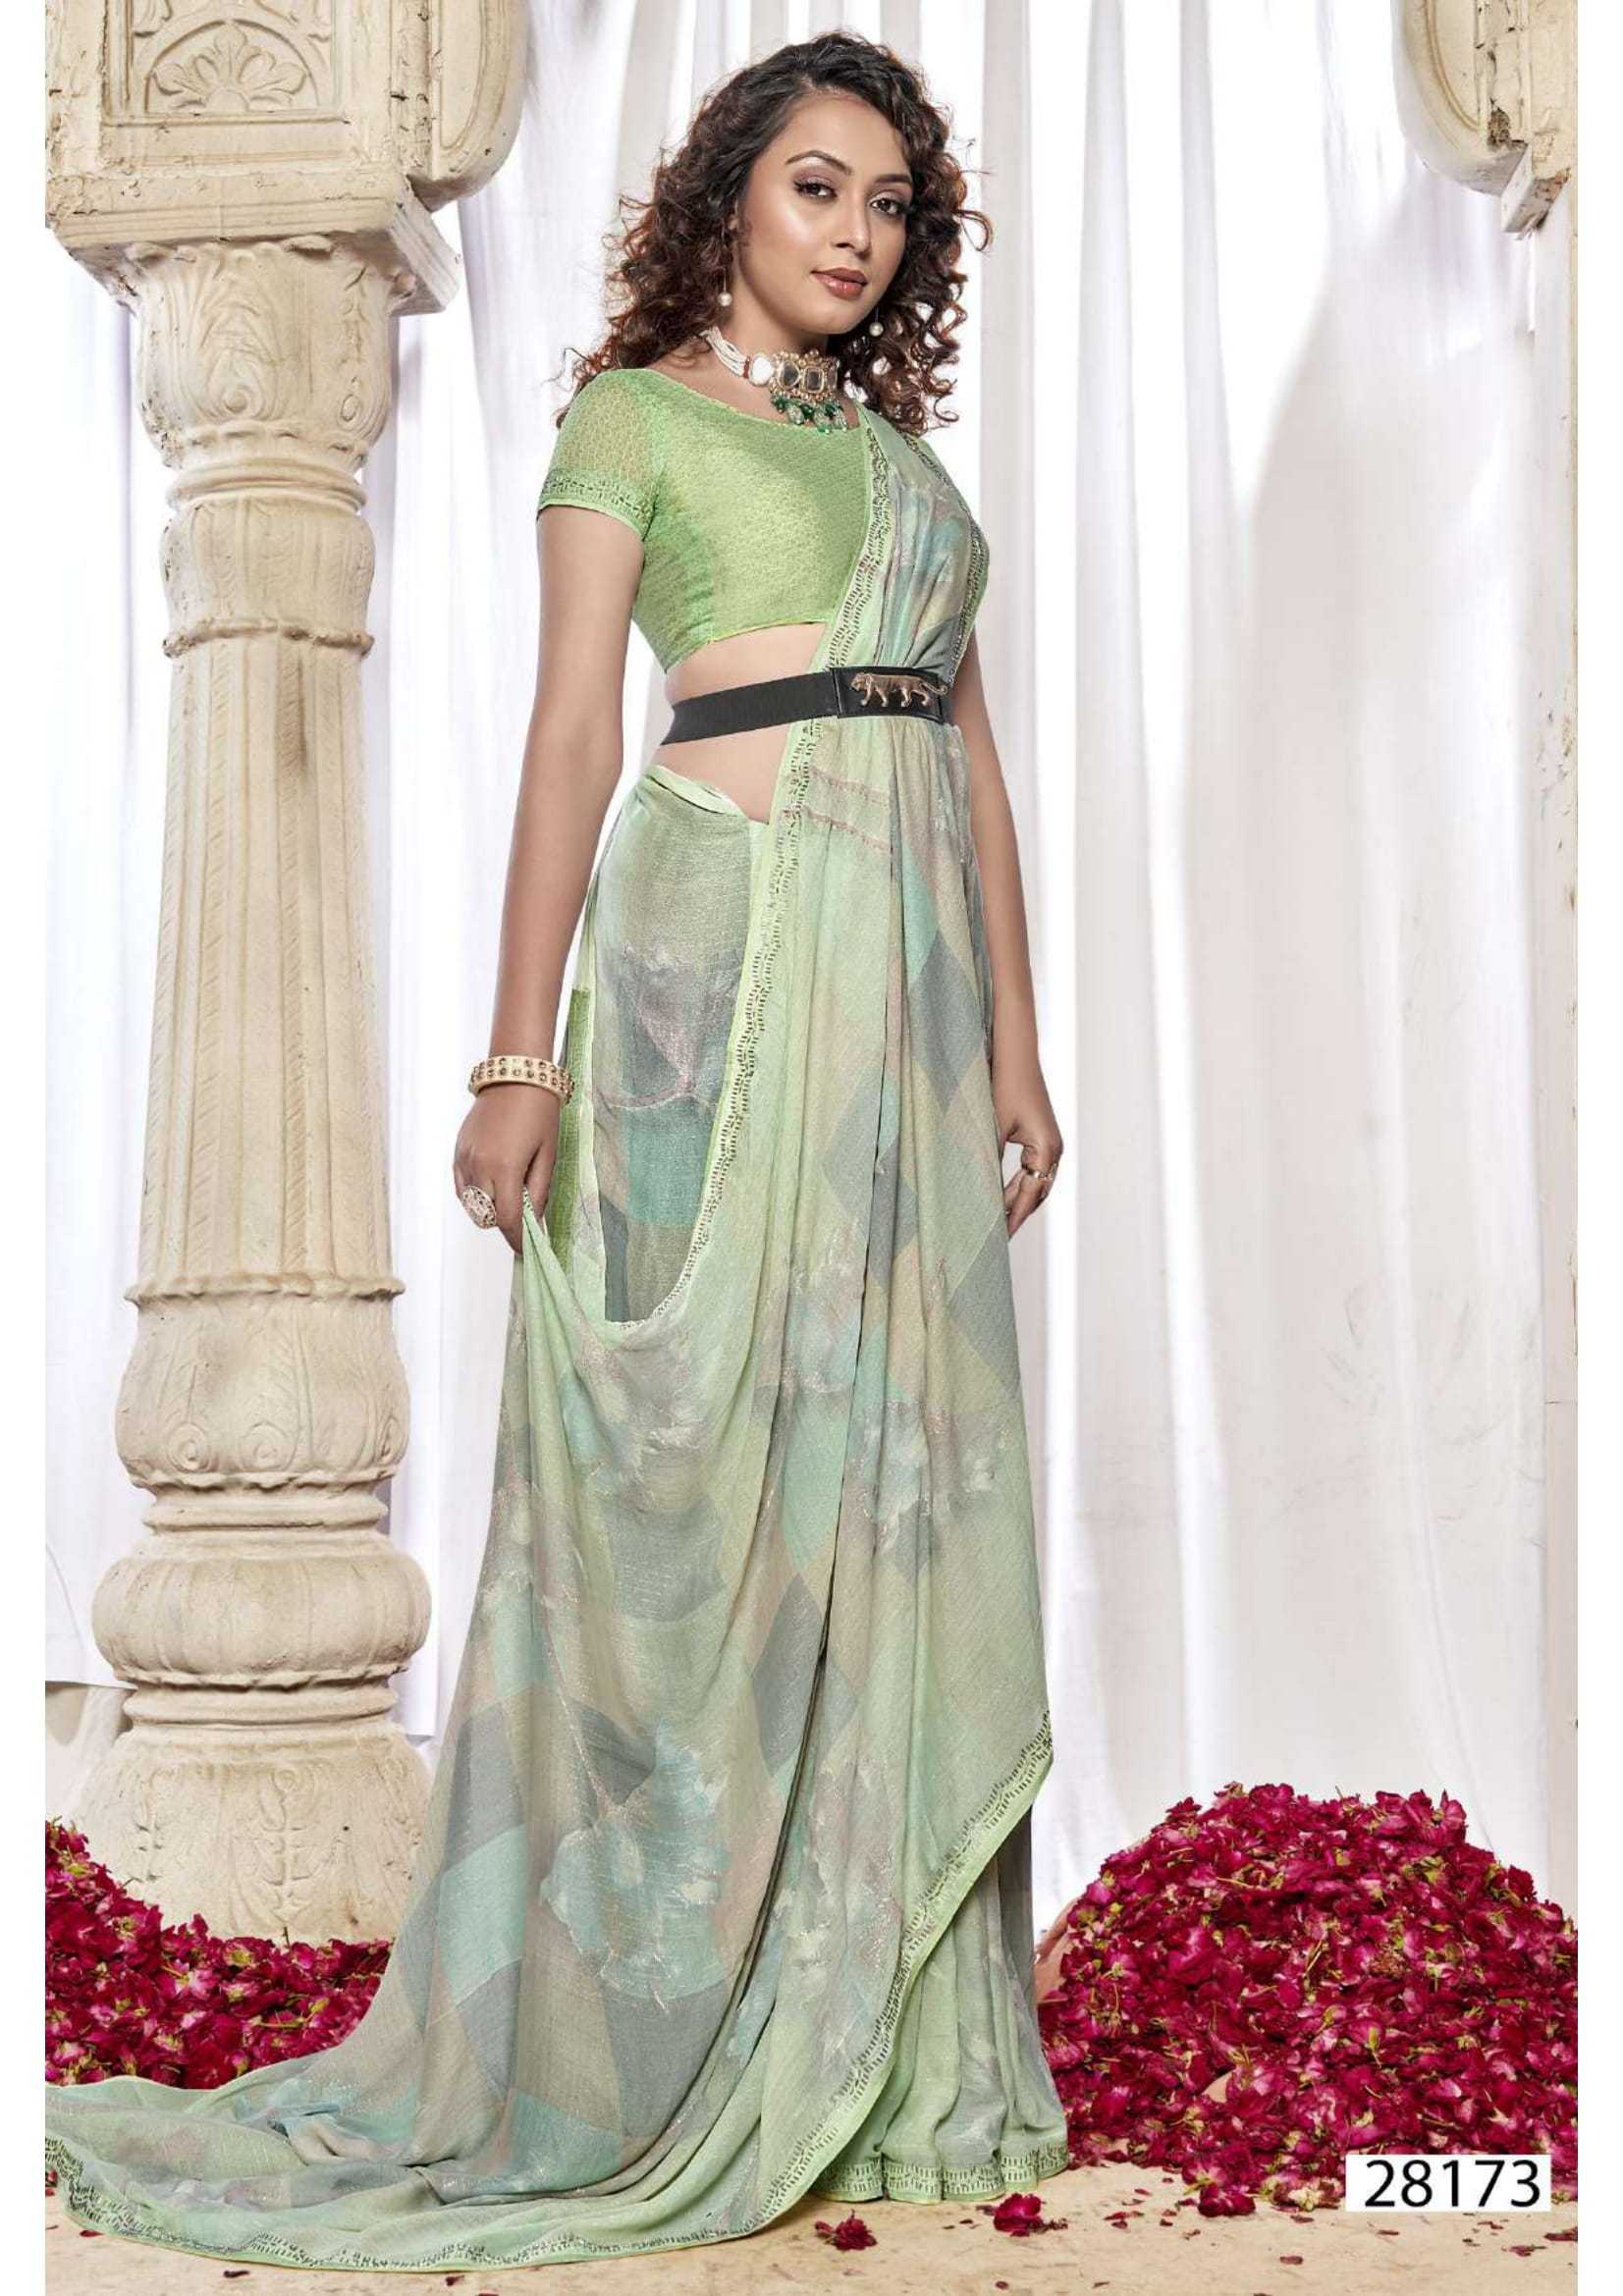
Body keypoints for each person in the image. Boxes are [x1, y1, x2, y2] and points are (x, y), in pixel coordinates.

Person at [45, 29, 1069, 2271]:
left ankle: (878, 2047)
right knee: (700, 1469)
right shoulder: (632, 424)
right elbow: (568, 738)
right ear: (727, 202)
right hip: (723, 958)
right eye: (816, 186)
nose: (855, 232)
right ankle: (636, 2024)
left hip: (901, 996)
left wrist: (1011, 1037)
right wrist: (518, 1056)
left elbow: (969, 760)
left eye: (890, 204)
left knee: (882, 1471)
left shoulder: (900, 469)